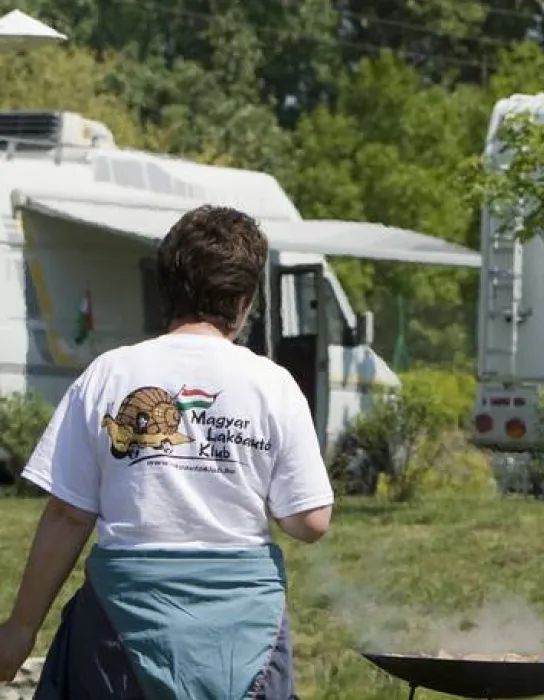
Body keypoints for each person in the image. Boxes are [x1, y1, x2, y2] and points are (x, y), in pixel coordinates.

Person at [0, 205, 335, 698]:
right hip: (244, 634)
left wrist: (21, 629)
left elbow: (69, 515)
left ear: (165, 289)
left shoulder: (110, 373)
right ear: (244, 300)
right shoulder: (273, 384)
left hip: (122, 625)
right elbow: (311, 522)